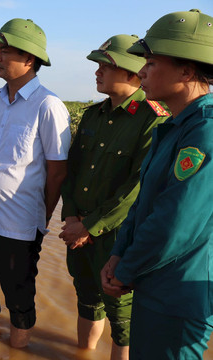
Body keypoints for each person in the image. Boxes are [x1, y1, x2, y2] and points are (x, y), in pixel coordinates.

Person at [101, 9, 213, 359]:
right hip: (152, 285)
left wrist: (126, 270)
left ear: (187, 69)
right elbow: (143, 203)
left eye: (151, 62)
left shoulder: (205, 130)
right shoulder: (173, 127)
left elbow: (175, 222)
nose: (142, 71)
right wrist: (119, 253)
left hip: (177, 297)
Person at [59, 34, 169, 360]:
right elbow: (72, 172)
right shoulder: (93, 116)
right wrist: (70, 217)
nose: (97, 71)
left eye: (105, 65)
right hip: (80, 232)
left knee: (122, 318)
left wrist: (90, 227)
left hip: (118, 239)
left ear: (131, 71)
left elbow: (137, 188)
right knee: (86, 300)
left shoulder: (153, 119)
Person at [0, 18, 71, 348]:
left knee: (19, 296)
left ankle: (17, 350)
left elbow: (57, 172)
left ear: (29, 59)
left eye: (5, 51)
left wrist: (41, 216)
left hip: (19, 224)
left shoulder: (48, 105)